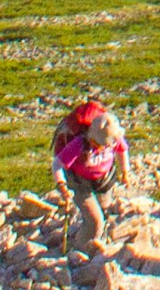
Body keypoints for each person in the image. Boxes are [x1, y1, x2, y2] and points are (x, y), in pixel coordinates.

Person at [53, 99, 132, 251]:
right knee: (96, 222)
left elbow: (123, 151)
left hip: (103, 181)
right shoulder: (78, 144)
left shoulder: (114, 138)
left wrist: (125, 172)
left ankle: (95, 243)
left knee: (103, 213)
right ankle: (81, 251)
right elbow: (57, 164)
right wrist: (62, 186)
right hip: (79, 183)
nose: (105, 147)